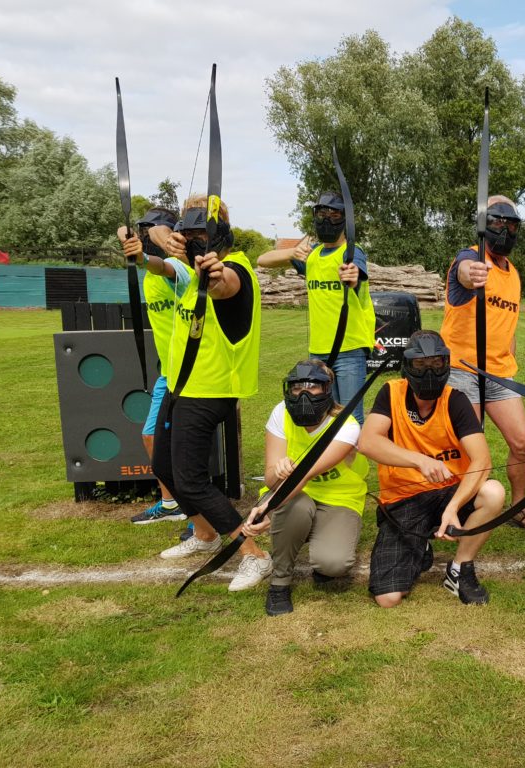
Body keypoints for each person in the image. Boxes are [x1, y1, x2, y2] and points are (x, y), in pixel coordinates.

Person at [148, 195, 272, 591]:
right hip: (182, 384)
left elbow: (224, 285)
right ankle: (205, 534)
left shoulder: (234, 269)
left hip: (211, 388)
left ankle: (253, 554)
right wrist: (154, 243)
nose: (195, 241)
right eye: (189, 233)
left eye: (203, 233)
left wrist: (212, 272)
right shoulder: (187, 271)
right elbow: (157, 246)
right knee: (164, 467)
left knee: (190, 479)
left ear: (221, 234)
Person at [358, 330, 505, 607]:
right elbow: (367, 442)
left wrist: (454, 507)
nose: (429, 373)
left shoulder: (455, 399)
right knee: (387, 598)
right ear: (407, 366)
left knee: (493, 492)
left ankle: (460, 568)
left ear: (446, 364)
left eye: (437, 364)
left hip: (448, 491)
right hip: (404, 497)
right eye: (420, 365)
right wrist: (420, 460)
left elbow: (482, 460)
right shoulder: (391, 392)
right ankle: (421, 544)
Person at [439, 194, 525, 538]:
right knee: (471, 449)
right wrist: (471, 274)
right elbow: (466, 274)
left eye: (510, 223)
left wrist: (510, 362)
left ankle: (517, 506)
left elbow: (508, 325)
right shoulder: (470, 258)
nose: (504, 229)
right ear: (484, 224)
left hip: (500, 373)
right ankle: (460, 506)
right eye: (496, 221)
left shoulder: (513, 274)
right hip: (462, 369)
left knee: (524, 444)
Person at [242, 359, 368, 616]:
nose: (304, 394)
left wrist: (266, 508)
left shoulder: (347, 425)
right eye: (297, 388)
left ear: (327, 389)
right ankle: (280, 582)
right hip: (294, 496)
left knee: (333, 564)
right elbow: (269, 480)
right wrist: (277, 473)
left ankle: (318, 535)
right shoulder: (280, 413)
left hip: (339, 498)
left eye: (313, 387)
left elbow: (306, 473)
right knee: (297, 506)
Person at [257, 192, 375, 422]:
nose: (327, 220)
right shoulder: (312, 256)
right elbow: (263, 259)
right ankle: (334, 458)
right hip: (319, 349)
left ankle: (354, 459)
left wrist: (350, 276)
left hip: (350, 348)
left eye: (334, 214)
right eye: (322, 214)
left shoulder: (352, 251)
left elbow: (355, 273)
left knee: (351, 418)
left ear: (345, 220)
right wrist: (292, 252)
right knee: (325, 414)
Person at [118, 207, 191, 525]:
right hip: (168, 370)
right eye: (142, 229)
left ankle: (193, 513)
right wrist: (130, 234)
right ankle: (171, 502)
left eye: (151, 229)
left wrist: (156, 242)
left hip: (190, 370)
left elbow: (166, 265)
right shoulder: (149, 272)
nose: (145, 235)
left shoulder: (177, 265)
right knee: (151, 436)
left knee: (184, 444)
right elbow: (124, 232)